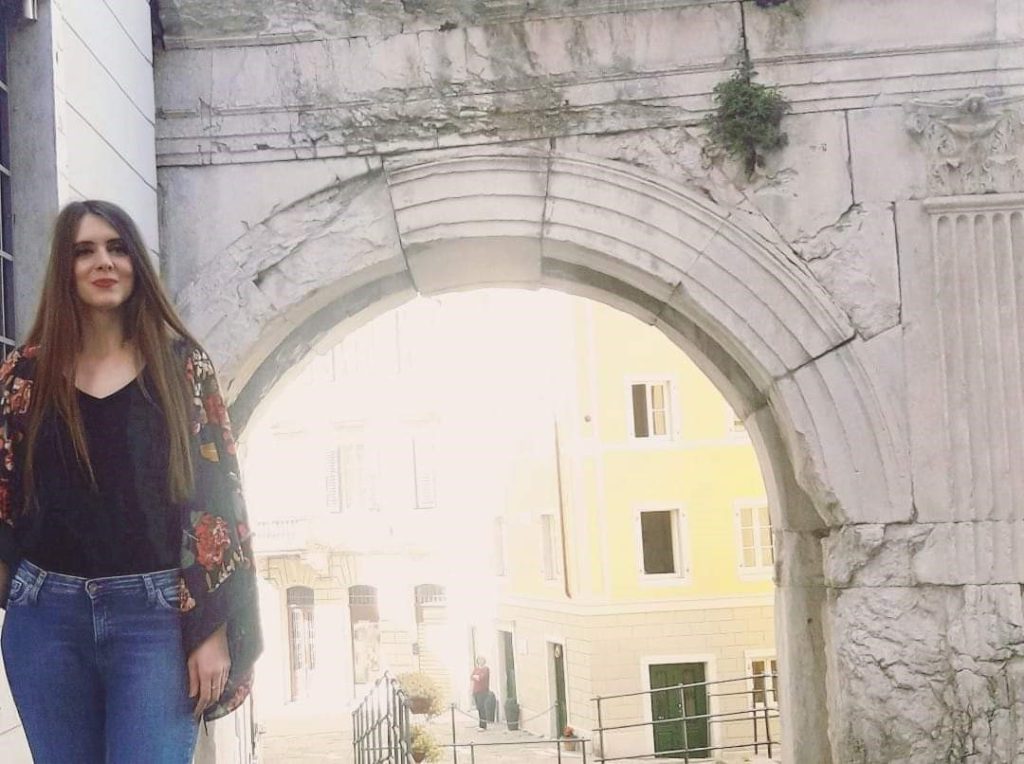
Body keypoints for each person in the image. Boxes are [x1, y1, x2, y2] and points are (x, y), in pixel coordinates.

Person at [0, 200, 262, 763]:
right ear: (64, 267)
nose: (105, 262)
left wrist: (210, 627)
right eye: (85, 250)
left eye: (118, 248)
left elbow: (217, 494)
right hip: (47, 618)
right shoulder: (23, 375)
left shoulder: (182, 367)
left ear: (136, 263)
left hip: (157, 619)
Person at [470, 656, 491, 730]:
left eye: (481, 660)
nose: (480, 661)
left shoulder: (486, 669)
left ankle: (483, 725)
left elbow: (481, 678)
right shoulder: (476, 668)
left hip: (483, 691)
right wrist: (476, 677)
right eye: (479, 660)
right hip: (476, 690)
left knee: (482, 707)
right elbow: (471, 677)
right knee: (478, 708)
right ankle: (480, 724)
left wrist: (476, 677)